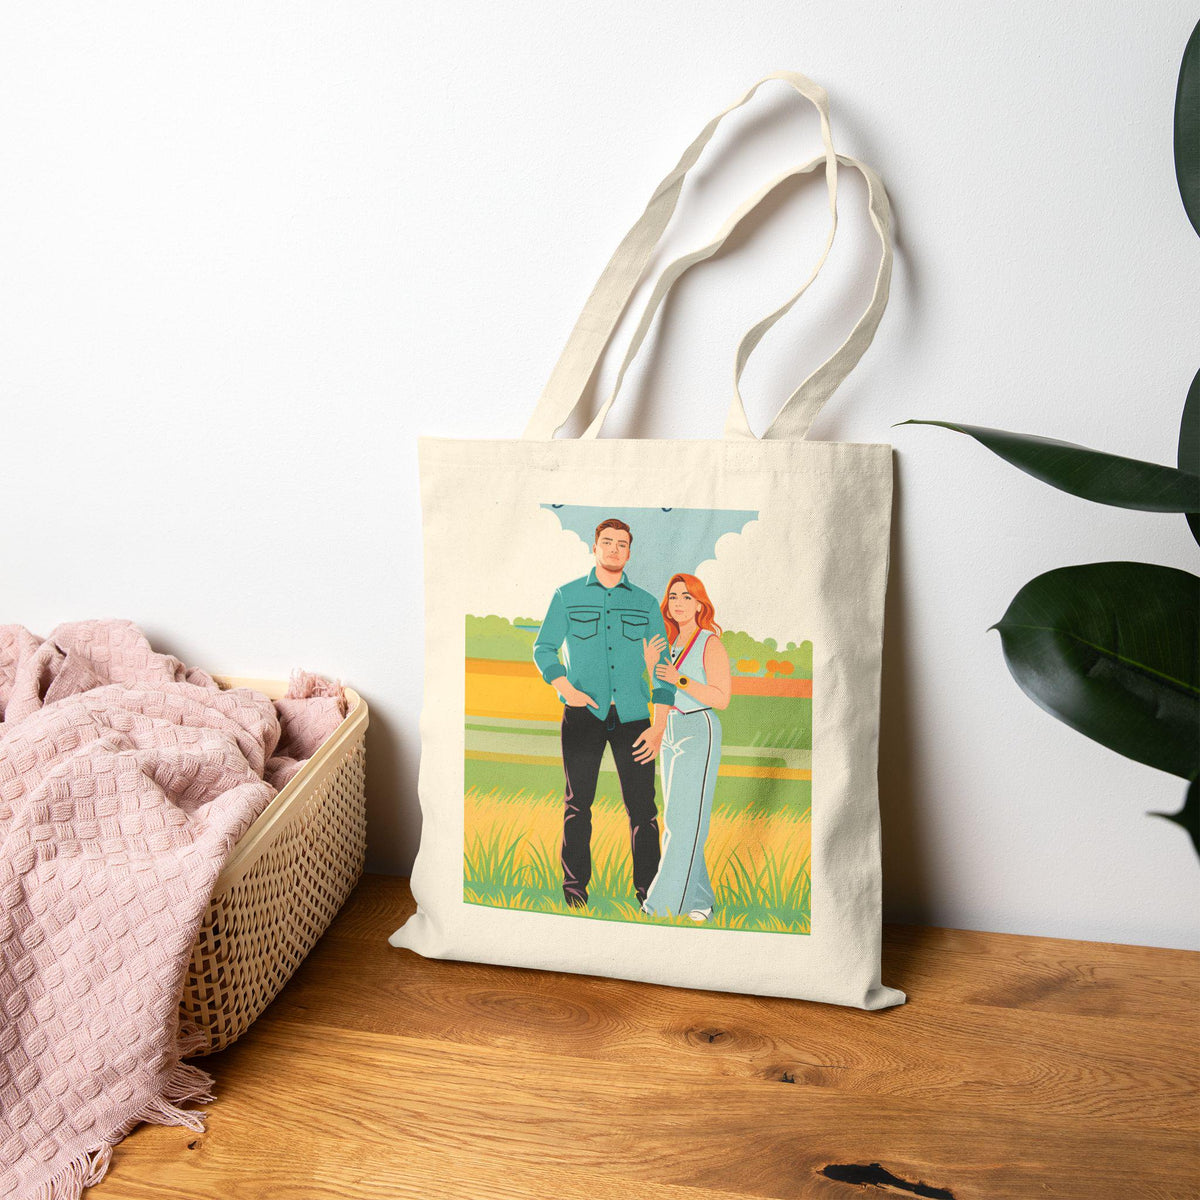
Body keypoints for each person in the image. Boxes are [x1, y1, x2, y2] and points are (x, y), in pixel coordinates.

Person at [532, 518, 675, 908]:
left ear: (629, 553)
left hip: (633, 720)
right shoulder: (567, 596)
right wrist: (566, 690)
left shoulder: (645, 604)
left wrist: (659, 727)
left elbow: (664, 669)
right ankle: (574, 891)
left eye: (622, 544)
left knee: (644, 809)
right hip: (583, 718)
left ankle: (649, 892)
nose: (614, 549)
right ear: (594, 548)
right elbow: (543, 648)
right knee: (578, 805)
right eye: (607, 542)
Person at [639, 573, 731, 923]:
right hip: (672, 728)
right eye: (673, 596)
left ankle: (659, 907)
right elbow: (662, 691)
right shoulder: (669, 642)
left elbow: (721, 698)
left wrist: (679, 677)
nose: (678, 602)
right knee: (678, 819)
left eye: (686, 597)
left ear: (699, 604)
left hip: (698, 727)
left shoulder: (710, 644)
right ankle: (701, 901)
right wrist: (658, 726)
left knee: (683, 821)